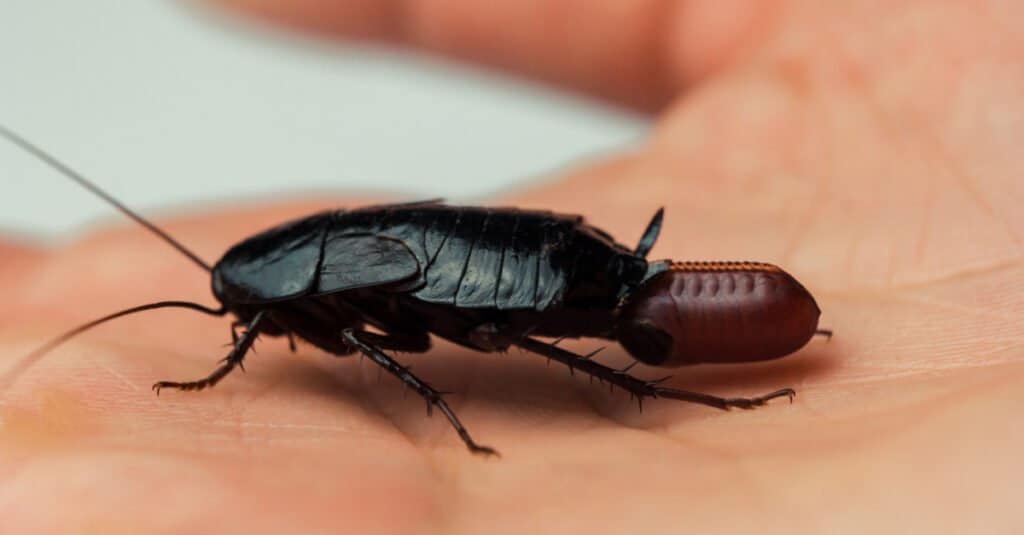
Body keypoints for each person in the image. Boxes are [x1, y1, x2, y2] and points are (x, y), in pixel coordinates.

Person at [2, 2, 1020, 532]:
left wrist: (433, 406)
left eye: (249, 317)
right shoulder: (314, 276)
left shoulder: (316, 301)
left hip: (519, 277)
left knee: (503, 331)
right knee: (501, 328)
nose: (252, 325)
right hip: (517, 254)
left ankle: (670, 383)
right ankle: (662, 361)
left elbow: (382, 342)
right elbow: (374, 334)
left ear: (275, 286)